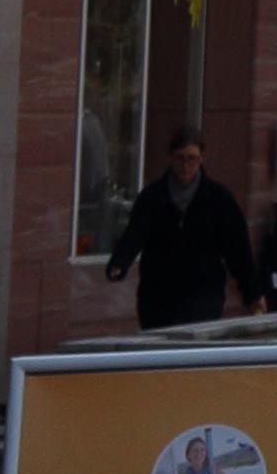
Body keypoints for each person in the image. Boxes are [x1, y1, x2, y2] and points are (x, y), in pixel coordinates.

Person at [104, 132, 262, 330]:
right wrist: (120, 262)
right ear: (171, 158)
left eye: (192, 158)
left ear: (201, 159)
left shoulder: (218, 199)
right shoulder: (153, 197)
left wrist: (252, 293)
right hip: (158, 295)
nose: (185, 165)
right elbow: (135, 234)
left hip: (202, 293)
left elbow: (238, 250)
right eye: (180, 158)